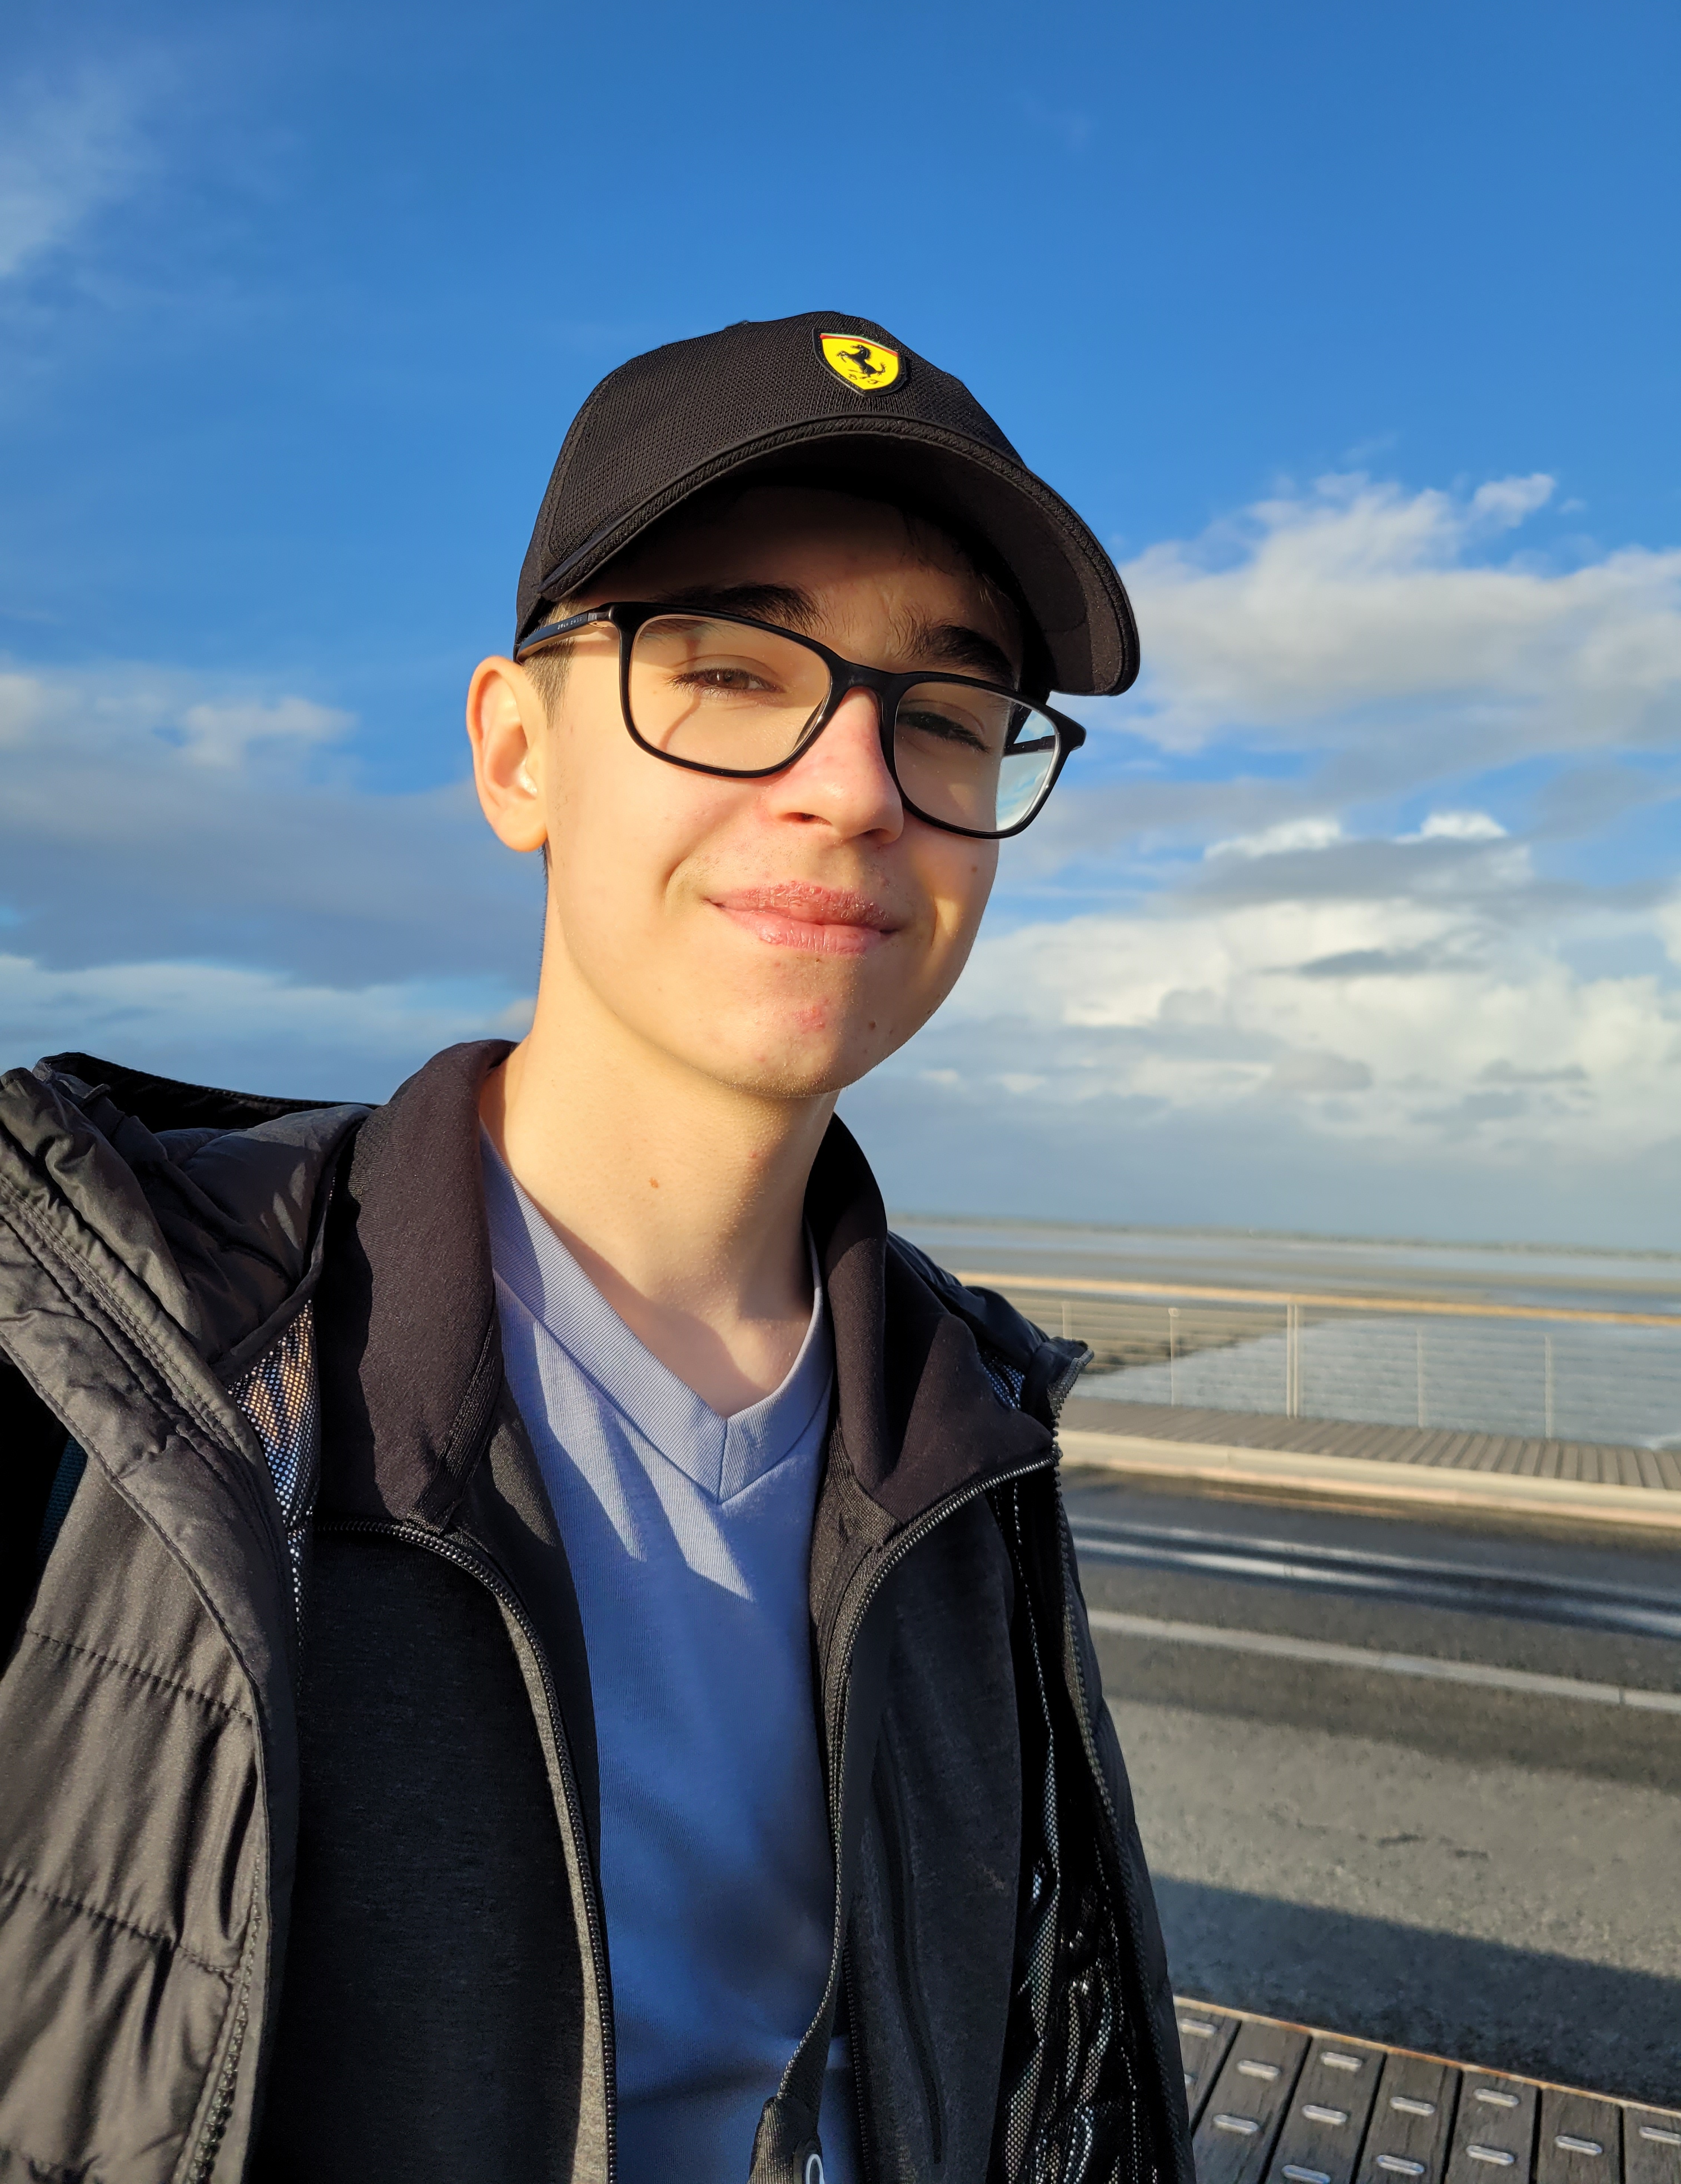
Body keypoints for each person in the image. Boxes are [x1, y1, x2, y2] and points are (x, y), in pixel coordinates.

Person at [0, 312, 1193, 2184]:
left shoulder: (970, 1441)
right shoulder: (127, 1349)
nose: (858, 786)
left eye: (945, 715)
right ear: (515, 755)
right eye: (727, 671)